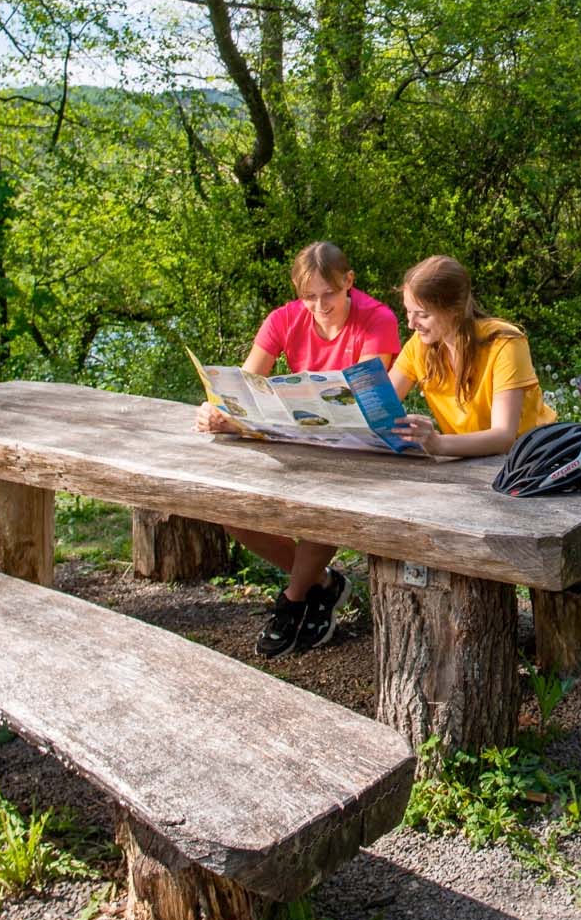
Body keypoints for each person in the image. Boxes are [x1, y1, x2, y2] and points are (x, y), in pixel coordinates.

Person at [193, 241, 401, 658]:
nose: (320, 305)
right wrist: (221, 412)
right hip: (298, 440)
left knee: (322, 508)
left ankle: (291, 601)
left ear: (349, 282)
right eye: (309, 296)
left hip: (358, 448)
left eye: (329, 294)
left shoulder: (377, 319)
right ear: (296, 290)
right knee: (229, 512)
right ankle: (322, 585)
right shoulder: (283, 320)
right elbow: (245, 385)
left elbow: (370, 396)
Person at [388, 255, 556, 456]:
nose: (411, 324)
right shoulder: (419, 345)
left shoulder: (505, 343)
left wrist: (438, 443)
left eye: (423, 315)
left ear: (454, 310)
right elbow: (382, 404)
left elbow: (504, 437)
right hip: (467, 462)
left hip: (532, 459)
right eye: (408, 312)